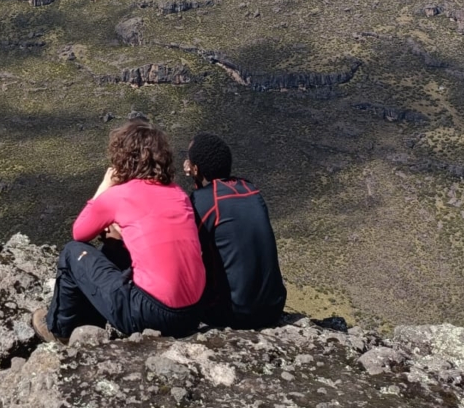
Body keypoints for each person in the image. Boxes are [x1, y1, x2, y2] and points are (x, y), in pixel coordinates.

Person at [32, 120, 205, 343]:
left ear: (123, 158)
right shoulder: (178, 194)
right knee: (116, 248)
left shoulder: (120, 195)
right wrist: (122, 238)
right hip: (192, 314)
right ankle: (88, 327)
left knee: (72, 253)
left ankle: (58, 331)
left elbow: (79, 233)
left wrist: (106, 184)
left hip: (149, 313)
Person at [185, 133, 286, 329]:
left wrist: (195, 182)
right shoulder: (251, 189)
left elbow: (188, 249)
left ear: (195, 168)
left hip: (235, 314)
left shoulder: (204, 201)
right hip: (274, 307)